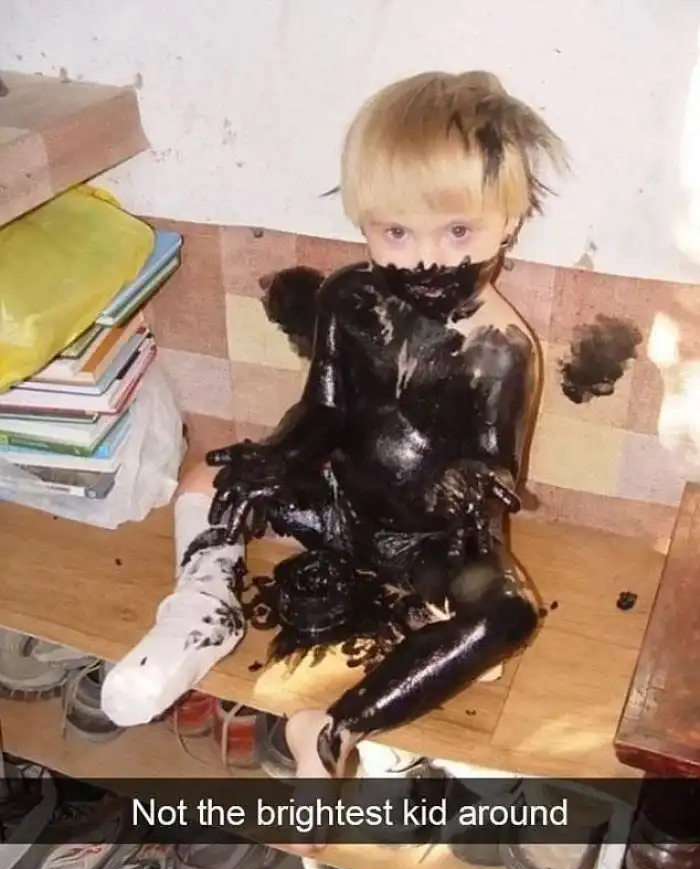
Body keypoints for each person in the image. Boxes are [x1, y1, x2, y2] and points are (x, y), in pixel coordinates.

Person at [102, 69, 566, 793]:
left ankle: (335, 726)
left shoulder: (502, 348)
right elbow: (322, 410)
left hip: (431, 546)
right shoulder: (349, 298)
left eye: (458, 230)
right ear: (362, 223)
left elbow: (495, 463)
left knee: (507, 616)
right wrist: (278, 456)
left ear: (510, 220)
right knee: (209, 477)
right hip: (340, 510)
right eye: (395, 231)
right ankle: (201, 611)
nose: (426, 258)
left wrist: (476, 481)